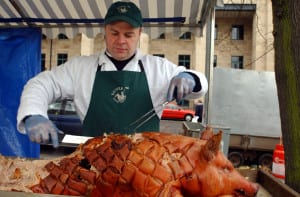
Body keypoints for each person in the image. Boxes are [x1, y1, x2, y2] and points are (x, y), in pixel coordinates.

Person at [17, 1, 208, 148]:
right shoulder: (81, 67)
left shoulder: (158, 67)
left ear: (140, 33)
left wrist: (190, 79)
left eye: (129, 34)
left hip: (145, 167)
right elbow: (41, 83)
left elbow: (200, 86)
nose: (121, 41)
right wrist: (34, 113)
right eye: (114, 33)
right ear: (105, 31)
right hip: (95, 163)